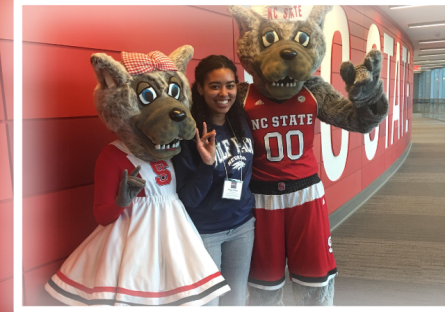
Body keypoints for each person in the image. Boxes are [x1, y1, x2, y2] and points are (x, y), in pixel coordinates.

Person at [172, 55, 255, 306]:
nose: (224, 93)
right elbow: (188, 198)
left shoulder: (240, 120)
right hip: (206, 231)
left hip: (242, 225)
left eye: (230, 85)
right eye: (214, 85)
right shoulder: (191, 133)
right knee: (209, 303)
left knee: (237, 298)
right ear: (200, 88)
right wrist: (207, 166)